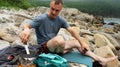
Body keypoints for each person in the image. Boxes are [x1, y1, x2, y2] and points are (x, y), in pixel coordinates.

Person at [19, 0, 118, 67]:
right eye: (52, 9)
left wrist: (82, 43)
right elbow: (27, 26)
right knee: (60, 39)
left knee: (77, 42)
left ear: (60, 10)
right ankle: (63, 51)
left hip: (57, 46)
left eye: (56, 10)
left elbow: (71, 31)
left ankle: (100, 59)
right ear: (50, 6)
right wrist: (26, 30)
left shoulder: (60, 20)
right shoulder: (41, 18)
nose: (53, 12)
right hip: (44, 47)